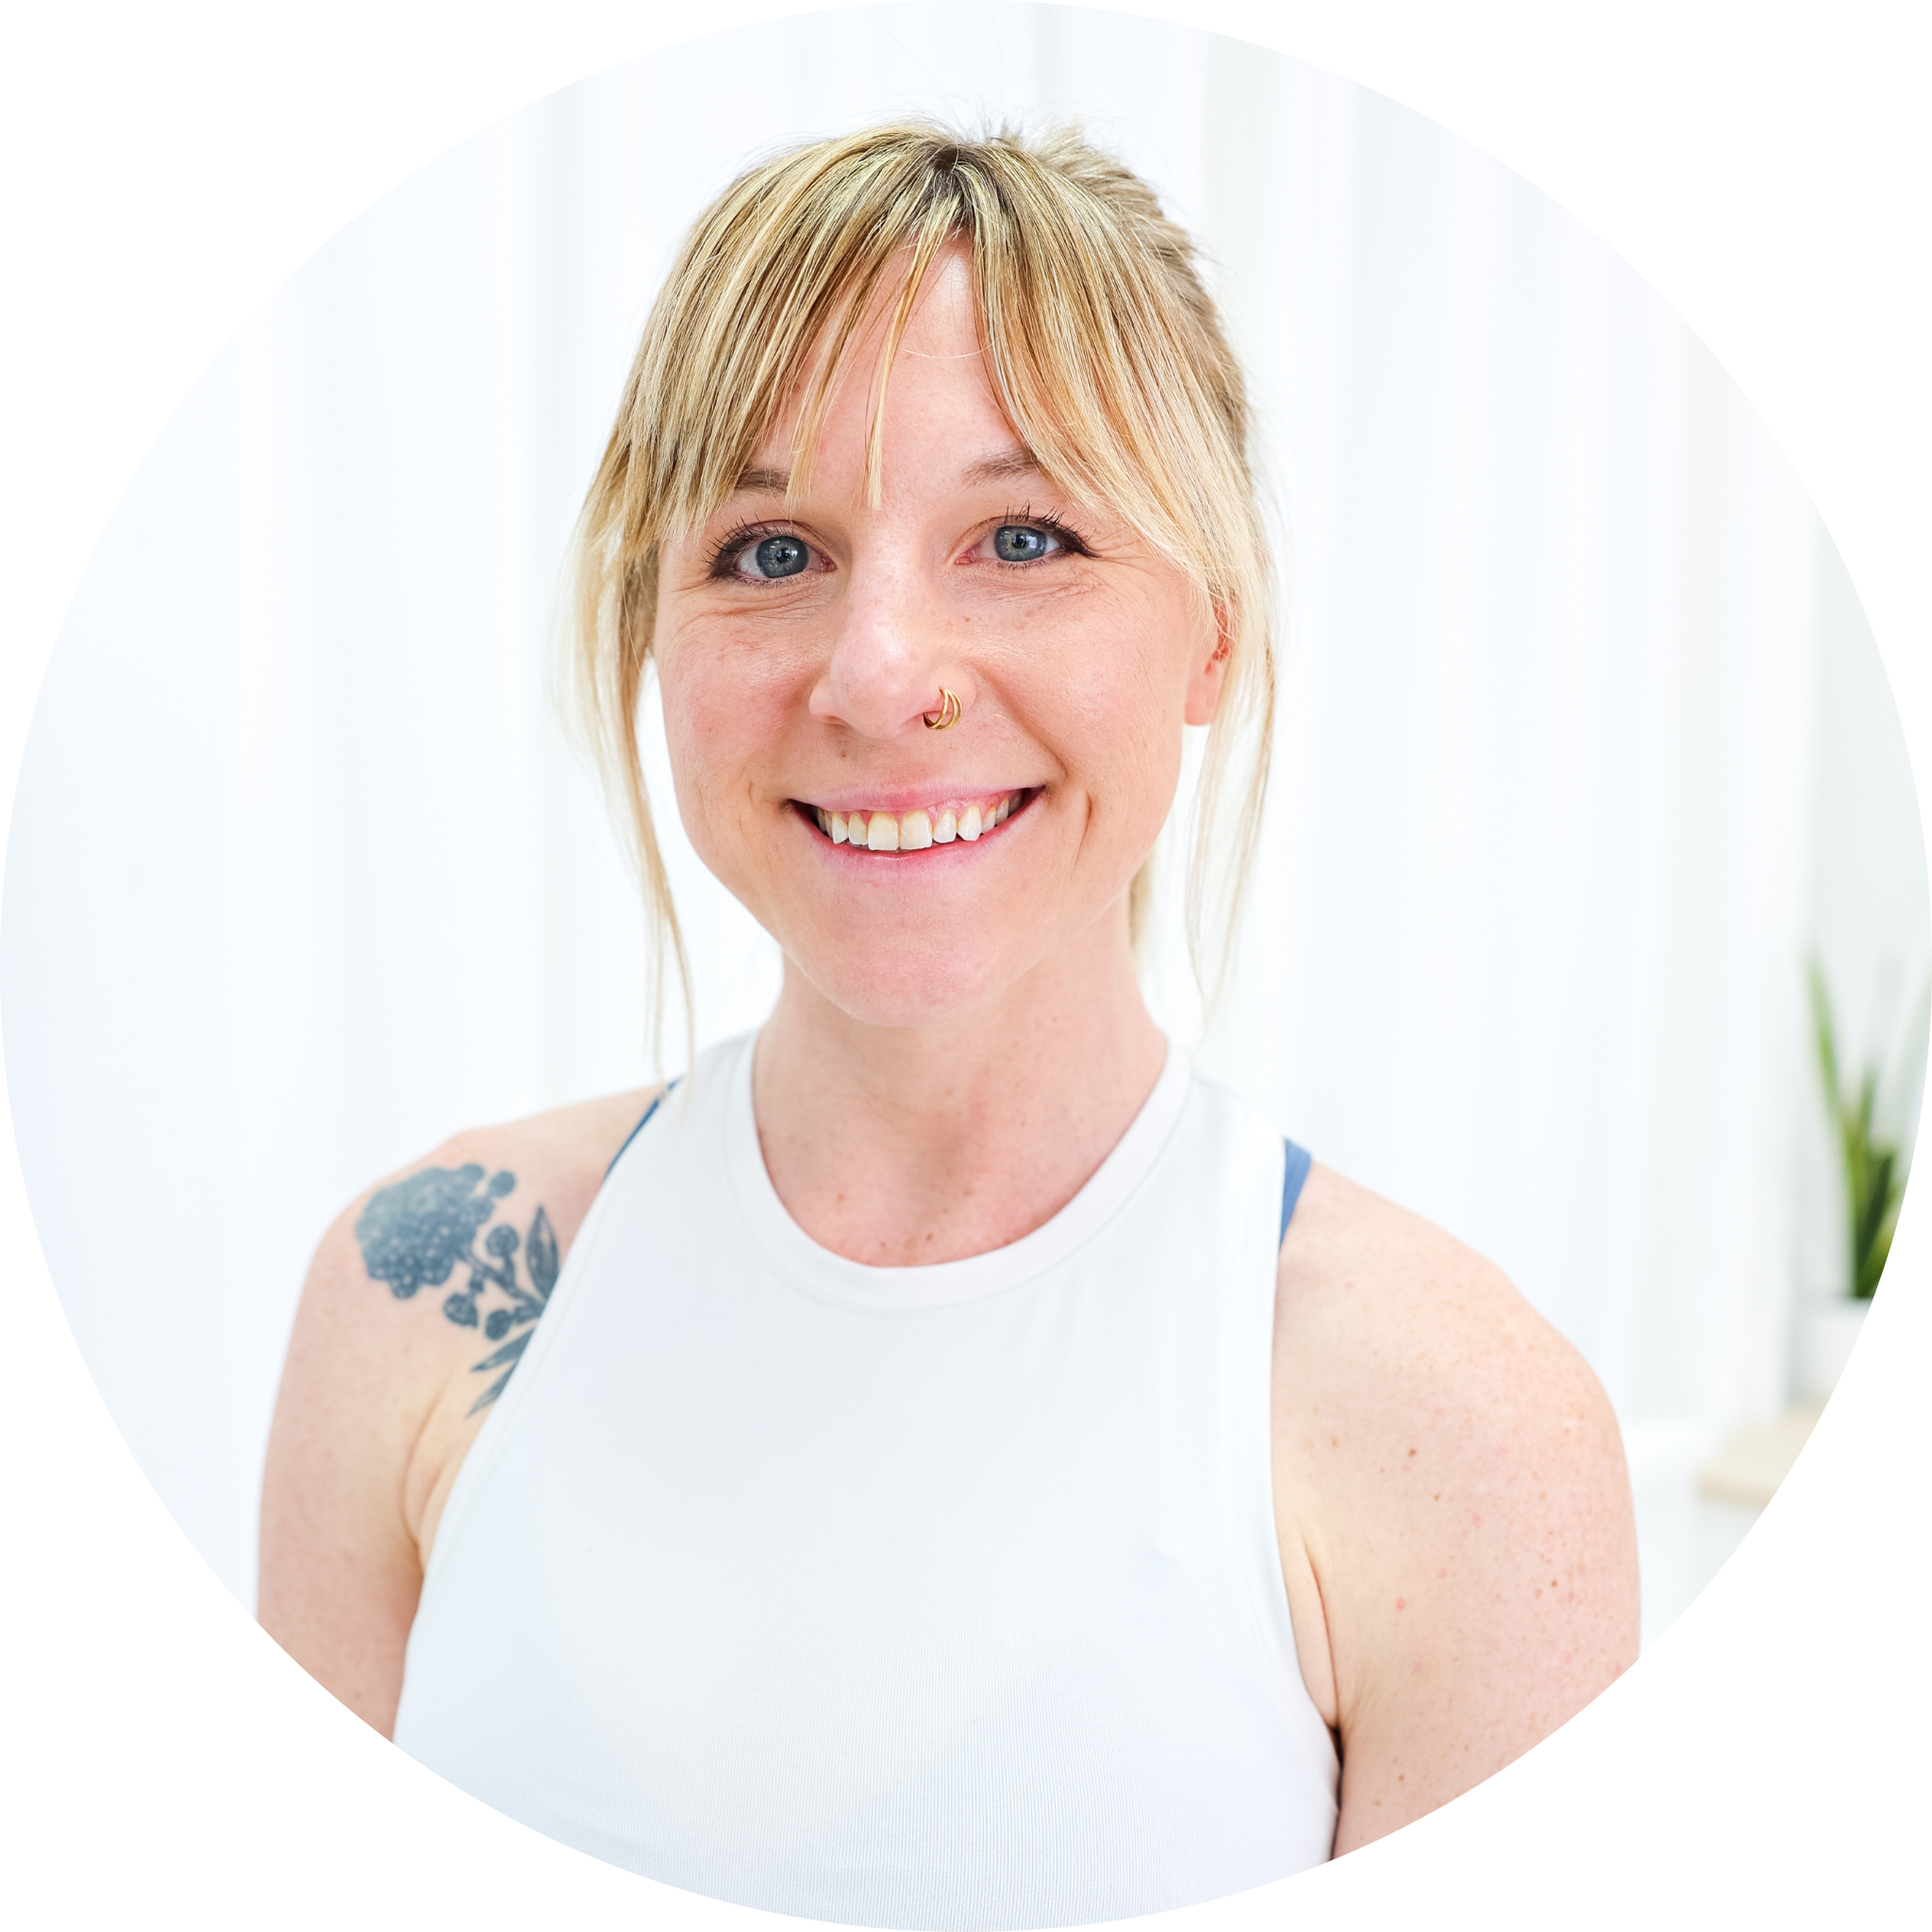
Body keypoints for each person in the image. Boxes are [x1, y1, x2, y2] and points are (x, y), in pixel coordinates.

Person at [259, 122, 1638, 1927]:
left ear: (1213, 634)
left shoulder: (1462, 1426)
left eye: (1022, 534)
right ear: (651, 632)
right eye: (769, 552)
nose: (879, 672)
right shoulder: (416, 1291)